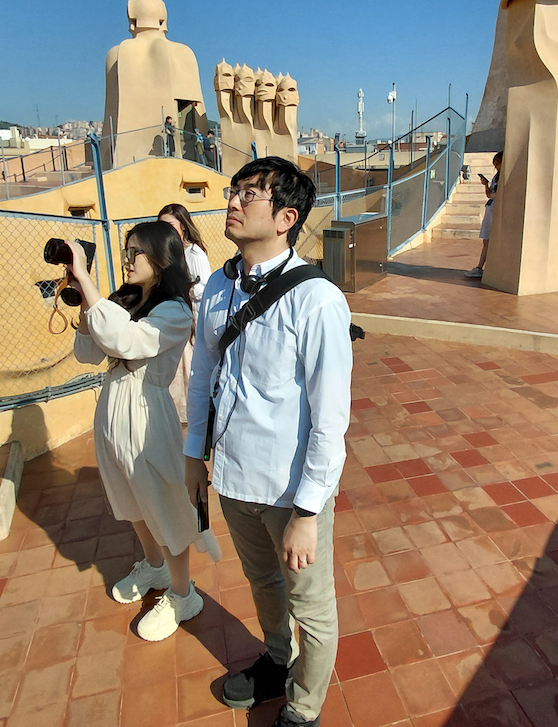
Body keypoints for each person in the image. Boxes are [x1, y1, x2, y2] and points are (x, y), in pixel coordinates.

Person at [185, 157, 352, 727]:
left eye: (247, 194)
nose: (232, 201)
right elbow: (204, 375)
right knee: (261, 582)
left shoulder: (317, 300)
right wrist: (194, 457)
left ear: (285, 217)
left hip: (291, 490)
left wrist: (308, 511)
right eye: (233, 190)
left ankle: (304, 710)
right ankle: (278, 661)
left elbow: (331, 419)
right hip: (234, 478)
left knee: (313, 607)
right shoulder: (216, 285)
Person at [65, 222, 204, 641]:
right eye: (126, 253)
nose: (127, 261)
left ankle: (184, 594)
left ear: (161, 259)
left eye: (135, 253)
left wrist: (88, 279)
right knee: (130, 498)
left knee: (163, 503)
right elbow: (88, 352)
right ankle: (154, 567)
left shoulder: (174, 311)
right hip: (113, 408)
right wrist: (86, 303)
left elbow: (125, 343)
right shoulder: (127, 302)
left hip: (146, 412)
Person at [157, 202, 213, 424]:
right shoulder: (171, 254)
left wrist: (184, 288)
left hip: (195, 320)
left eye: (171, 224)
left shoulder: (194, 253)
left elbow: (204, 288)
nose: (167, 230)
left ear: (183, 226)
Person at [465, 150, 502, 278]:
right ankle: (480, 267)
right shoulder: (496, 177)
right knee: (486, 240)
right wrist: (486, 185)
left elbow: (499, 194)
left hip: (496, 209)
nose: (496, 166)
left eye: (498, 163)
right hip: (490, 208)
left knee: (493, 240)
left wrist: (492, 194)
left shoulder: (504, 177)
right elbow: (489, 194)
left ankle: (486, 267)